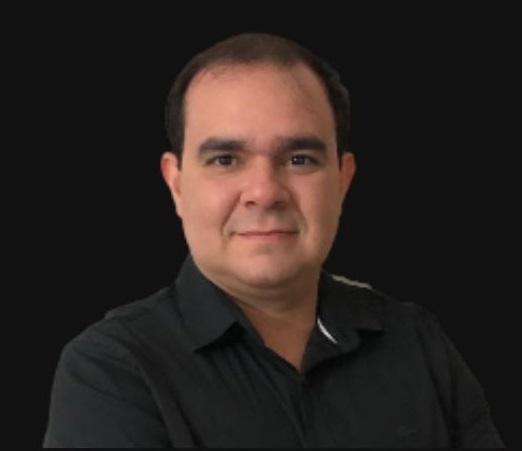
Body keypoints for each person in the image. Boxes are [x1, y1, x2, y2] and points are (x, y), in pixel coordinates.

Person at [43, 32, 504, 448]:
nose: (264, 191)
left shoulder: (416, 342)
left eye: (299, 159)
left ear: (342, 180)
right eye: (225, 160)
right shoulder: (113, 370)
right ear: (177, 184)